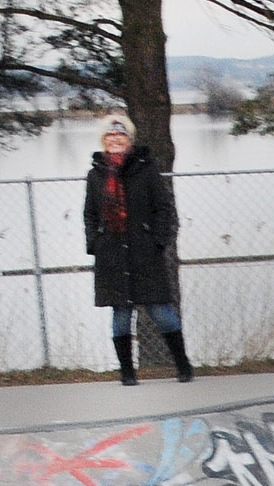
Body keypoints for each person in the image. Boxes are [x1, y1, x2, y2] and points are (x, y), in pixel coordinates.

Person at [82, 115, 192, 386]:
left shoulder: (146, 168)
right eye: (110, 136)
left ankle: (183, 365)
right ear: (103, 141)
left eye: (120, 135)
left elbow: (164, 209)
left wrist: (157, 241)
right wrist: (95, 242)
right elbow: (90, 214)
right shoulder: (96, 175)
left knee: (161, 312)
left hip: (144, 253)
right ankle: (127, 372)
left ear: (129, 139)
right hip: (112, 254)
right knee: (120, 316)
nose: (115, 140)